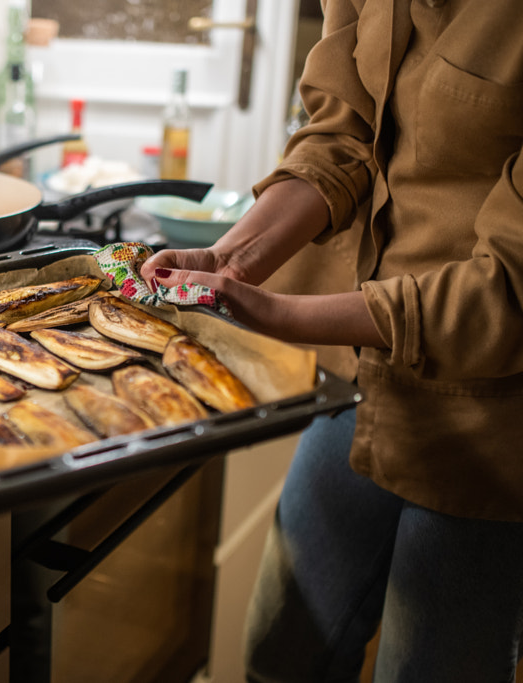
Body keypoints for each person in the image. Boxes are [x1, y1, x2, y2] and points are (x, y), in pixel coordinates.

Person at [140, 1, 523, 680]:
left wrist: (282, 313)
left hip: (489, 422)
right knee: (278, 653)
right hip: (358, 379)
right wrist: (230, 260)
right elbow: (342, 137)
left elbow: (509, 291)